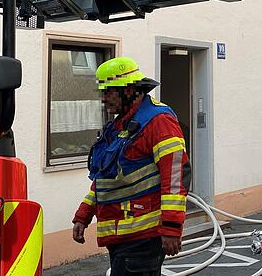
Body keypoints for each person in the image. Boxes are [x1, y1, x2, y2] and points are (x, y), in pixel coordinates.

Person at [72, 57, 191, 276]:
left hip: (143, 237)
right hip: (122, 236)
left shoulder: (158, 121)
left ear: (129, 91)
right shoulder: (120, 125)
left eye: (108, 92)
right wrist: (84, 215)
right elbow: (106, 178)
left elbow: (175, 176)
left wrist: (172, 228)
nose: (103, 99)